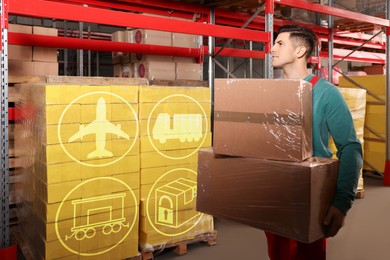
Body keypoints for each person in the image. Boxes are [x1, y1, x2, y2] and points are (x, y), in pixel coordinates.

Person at [267, 24, 363, 259]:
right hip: (276, 196)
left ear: (300, 51)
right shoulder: (269, 93)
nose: (272, 49)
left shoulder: (326, 93)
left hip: (311, 196)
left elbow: (350, 148)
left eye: (280, 43)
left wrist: (341, 203)